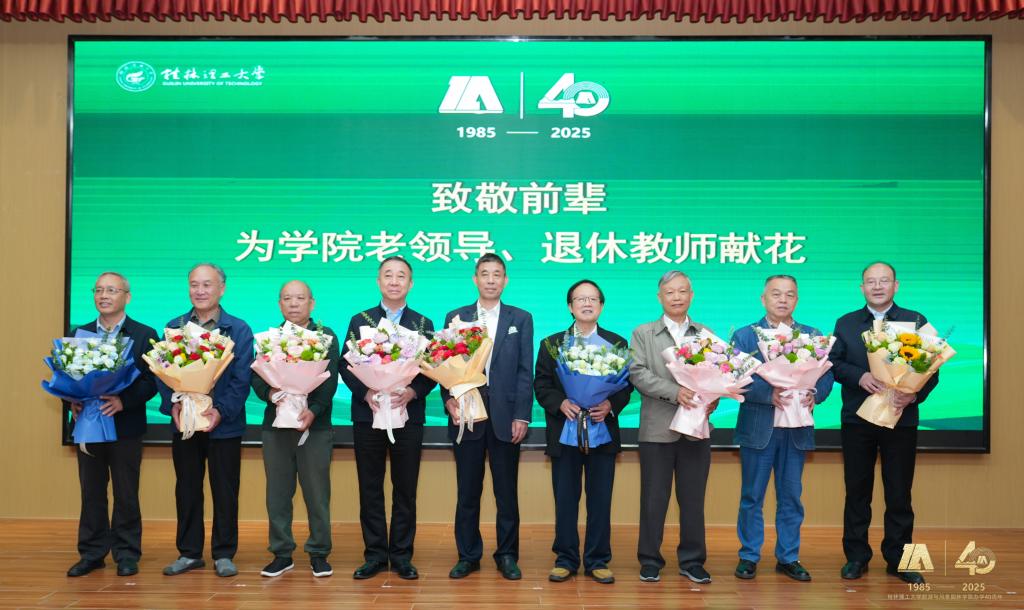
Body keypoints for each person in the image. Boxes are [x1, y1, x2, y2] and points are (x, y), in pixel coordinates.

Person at [830, 261, 939, 585]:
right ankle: (856, 557)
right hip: (857, 419)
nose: (877, 286)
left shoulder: (916, 321)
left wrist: (913, 395)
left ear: (896, 285)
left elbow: (932, 369)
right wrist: (859, 376)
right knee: (857, 491)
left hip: (901, 420)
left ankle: (900, 560)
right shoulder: (846, 323)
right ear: (862, 287)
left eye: (884, 281)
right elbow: (833, 363)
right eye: (871, 281)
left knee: (899, 492)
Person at [729, 274, 833, 582]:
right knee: (752, 496)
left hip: (796, 428)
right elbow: (734, 378)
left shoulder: (812, 335)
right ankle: (749, 555)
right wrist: (767, 393)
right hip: (759, 428)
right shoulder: (745, 336)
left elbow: (827, 375)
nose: (783, 299)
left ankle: (788, 557)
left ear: (796, 300)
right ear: (763, 299)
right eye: (776, 294)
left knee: (791, 497)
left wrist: (815, 393)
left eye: (789, 294)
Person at [340, 257, 436, 581]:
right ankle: (375, 556)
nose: (394, 281)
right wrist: (365, 391)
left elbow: (432, 369)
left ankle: (402, 556)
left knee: (405, 489)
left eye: (401, 276)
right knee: (370, 487)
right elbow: (346, 365)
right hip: (368, 416)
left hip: (407, 416)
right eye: (388, 275)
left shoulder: (422, 324)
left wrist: (413, 391)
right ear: (379, 281)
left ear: (411, 283)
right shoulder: (360, 320)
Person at [158, 263, 254, 578]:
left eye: (207, 285)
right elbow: (162, 372)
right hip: (185, 423)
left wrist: (221, 411)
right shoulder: (174, 326)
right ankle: (189, 553)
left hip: (224, 426)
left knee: (225, 490)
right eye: (194, 284)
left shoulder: (238, 329)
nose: (200, 291)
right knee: (186, 488)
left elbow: (241, 380)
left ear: (221, 289)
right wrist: (172, 405)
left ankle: (224, 553)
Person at [534, 279, 633, 585]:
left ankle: (597, 560)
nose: (587, 303)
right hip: (564, 432)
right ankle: (565, 558)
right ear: (570, 306)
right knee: (565, 498)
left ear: (601, 305)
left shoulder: (617, 343)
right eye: (580, 299)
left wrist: (610, 404)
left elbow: (627, 386)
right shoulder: (551, 344)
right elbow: (541, 384)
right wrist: (561, 403)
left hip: (602, 432)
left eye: (593, 299)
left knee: (600, 499)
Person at [443, 253, 534, 581]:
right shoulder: (456, 317)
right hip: (467, 415)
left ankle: (507, 555)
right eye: (485, 274)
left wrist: (522, 415)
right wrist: (449, 401)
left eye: (497, 274)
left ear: (505, 280)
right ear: (475, 279)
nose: (491, 280)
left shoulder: (520, 318)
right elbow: (443, 361)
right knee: (467, 491)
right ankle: (468, 555)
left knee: (506, 493)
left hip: (506, 418)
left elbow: (524, 370)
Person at [66, 272, 159, 577]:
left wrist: (124, 401)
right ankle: (92, 553)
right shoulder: (78, 333)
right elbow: (65, 376)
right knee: (91, 491)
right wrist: (72, 399)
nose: (104, 295)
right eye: (99, 290)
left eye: (111, 290)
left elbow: (153, 382)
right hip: (88, 425)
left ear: (126, 297)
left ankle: (127, 553)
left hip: (125, 426)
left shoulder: (144, 334)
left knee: (126, 492)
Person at [629, 270, 716, 584]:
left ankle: (692, 560)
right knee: (654, 498)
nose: (677, 297)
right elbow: (637, 373)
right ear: (660, 297)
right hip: (658, 428)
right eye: (670, 292)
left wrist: (712, 398)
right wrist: (675, 392)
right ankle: (650, 559)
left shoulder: (705, 333)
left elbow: (719, 374)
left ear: (691, 295)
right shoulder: (643, 333)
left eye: (682, 291)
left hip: (696, 429)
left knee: (693, 499)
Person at [252, 280, 339, 579]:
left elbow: (329, 381)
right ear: (280, 304)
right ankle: (281, 552)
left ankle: (319, 552)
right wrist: (272, 394)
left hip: (315, 427)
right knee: (277, 493)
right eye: (287, 298)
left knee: (317, 493)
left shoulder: (326, 337)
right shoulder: (269, 338)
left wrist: (313, 411)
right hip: (275, 427)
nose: (293, 303)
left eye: (300, 298)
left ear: (311, 303)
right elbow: (256, 378)